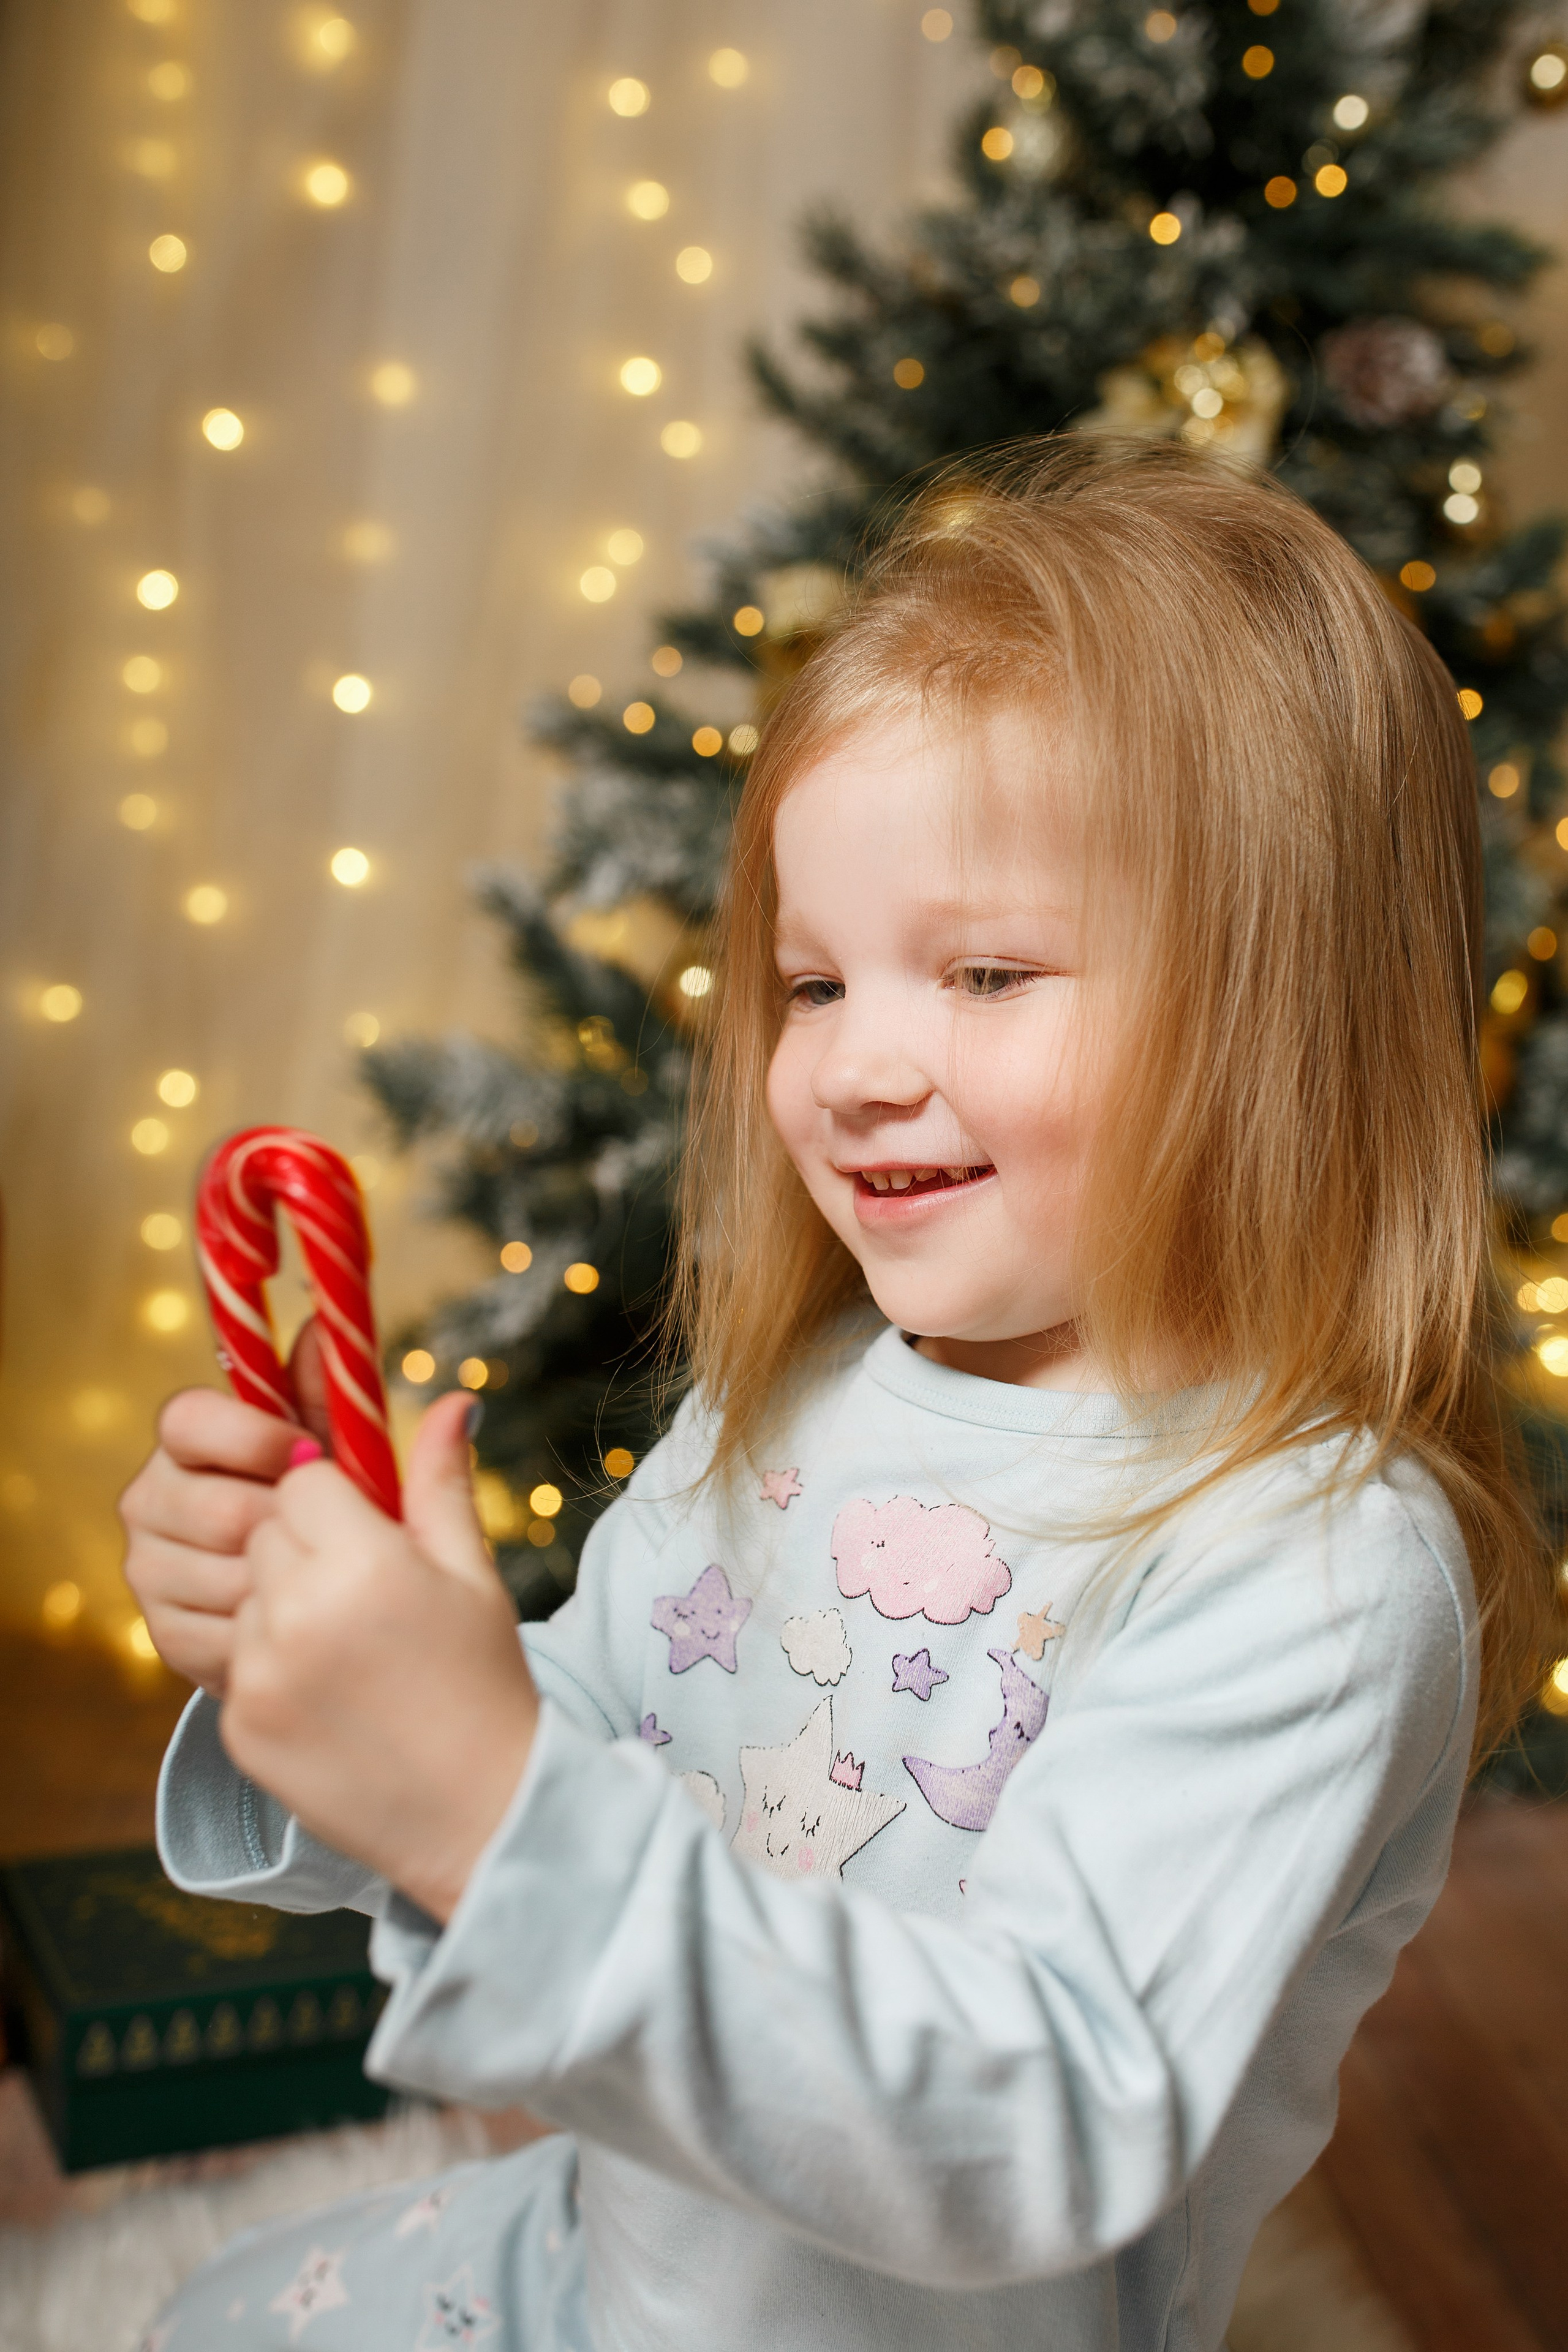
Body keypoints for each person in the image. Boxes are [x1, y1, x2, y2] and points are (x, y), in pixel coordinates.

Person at [122, 438, 1551, 2352]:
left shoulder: (1312, 1566)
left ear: (1273, 1014)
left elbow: (1030, 2123)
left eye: (980, 969)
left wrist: (479, 1796)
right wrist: (325, 1677)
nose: (861, 1067)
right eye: (811, 984)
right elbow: (584, 1731)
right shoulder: (787, 1405)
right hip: (612, 2275)